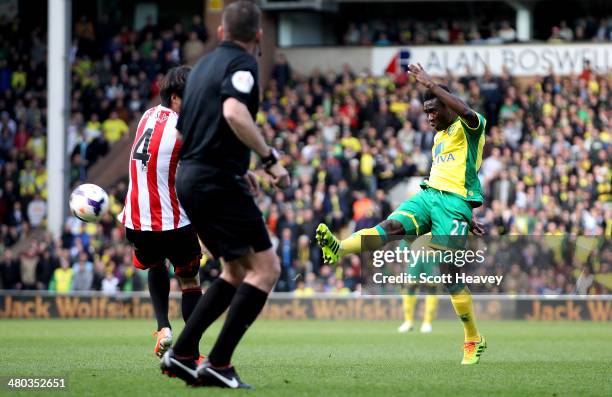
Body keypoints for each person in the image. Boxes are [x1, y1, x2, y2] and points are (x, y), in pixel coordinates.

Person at [316, 63, 487, 365]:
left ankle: (473, 337)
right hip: (429, 195)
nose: (430, 118)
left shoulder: (470, 127)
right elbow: (449, 173)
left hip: (454, 205)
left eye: (434, 111)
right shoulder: (438, 139)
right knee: (390, 227)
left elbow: (464, 112)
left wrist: (432, 85)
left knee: (449, 274)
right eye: (426, 113)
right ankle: (338, 249)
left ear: (447, 107)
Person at [160, 1, 289, 389]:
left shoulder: (200, 69)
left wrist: (239, 168)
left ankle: (182, 354)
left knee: (234, 271)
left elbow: (184, 134)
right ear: (259, 36)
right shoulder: (243, 65)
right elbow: (234, 112)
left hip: (192, 177)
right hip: (215, 180)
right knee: (266, 269)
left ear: (220, 32)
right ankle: (218, 363)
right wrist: (268, 160)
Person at [118, 66, 204, 358]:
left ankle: (163, 327)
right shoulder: (184, 126)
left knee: (156, 266)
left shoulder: (147, 116)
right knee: (190, 281)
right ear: (177, 98)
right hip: (172, 220)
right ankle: (190, 352)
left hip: (136, 219)